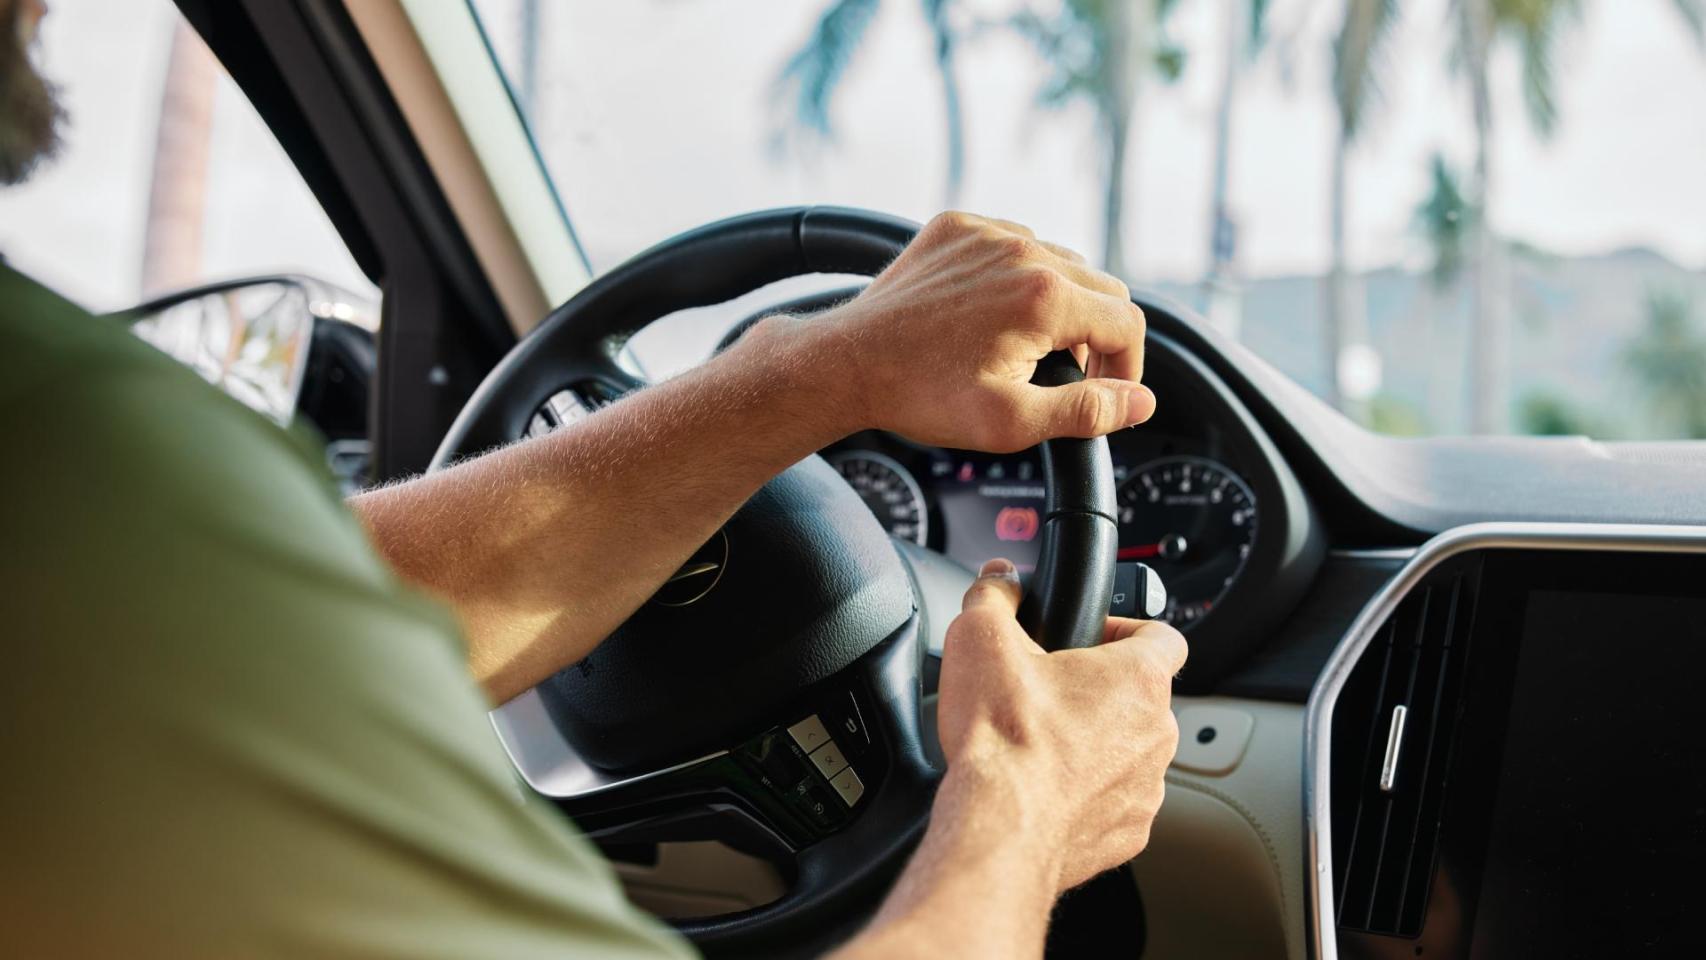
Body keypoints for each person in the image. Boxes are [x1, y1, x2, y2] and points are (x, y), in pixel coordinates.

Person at [0, 1, 1187, 956]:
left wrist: (817, 371)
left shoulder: (71, 473)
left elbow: (285, 637)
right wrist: (1025, 798)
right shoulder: (73, 467)